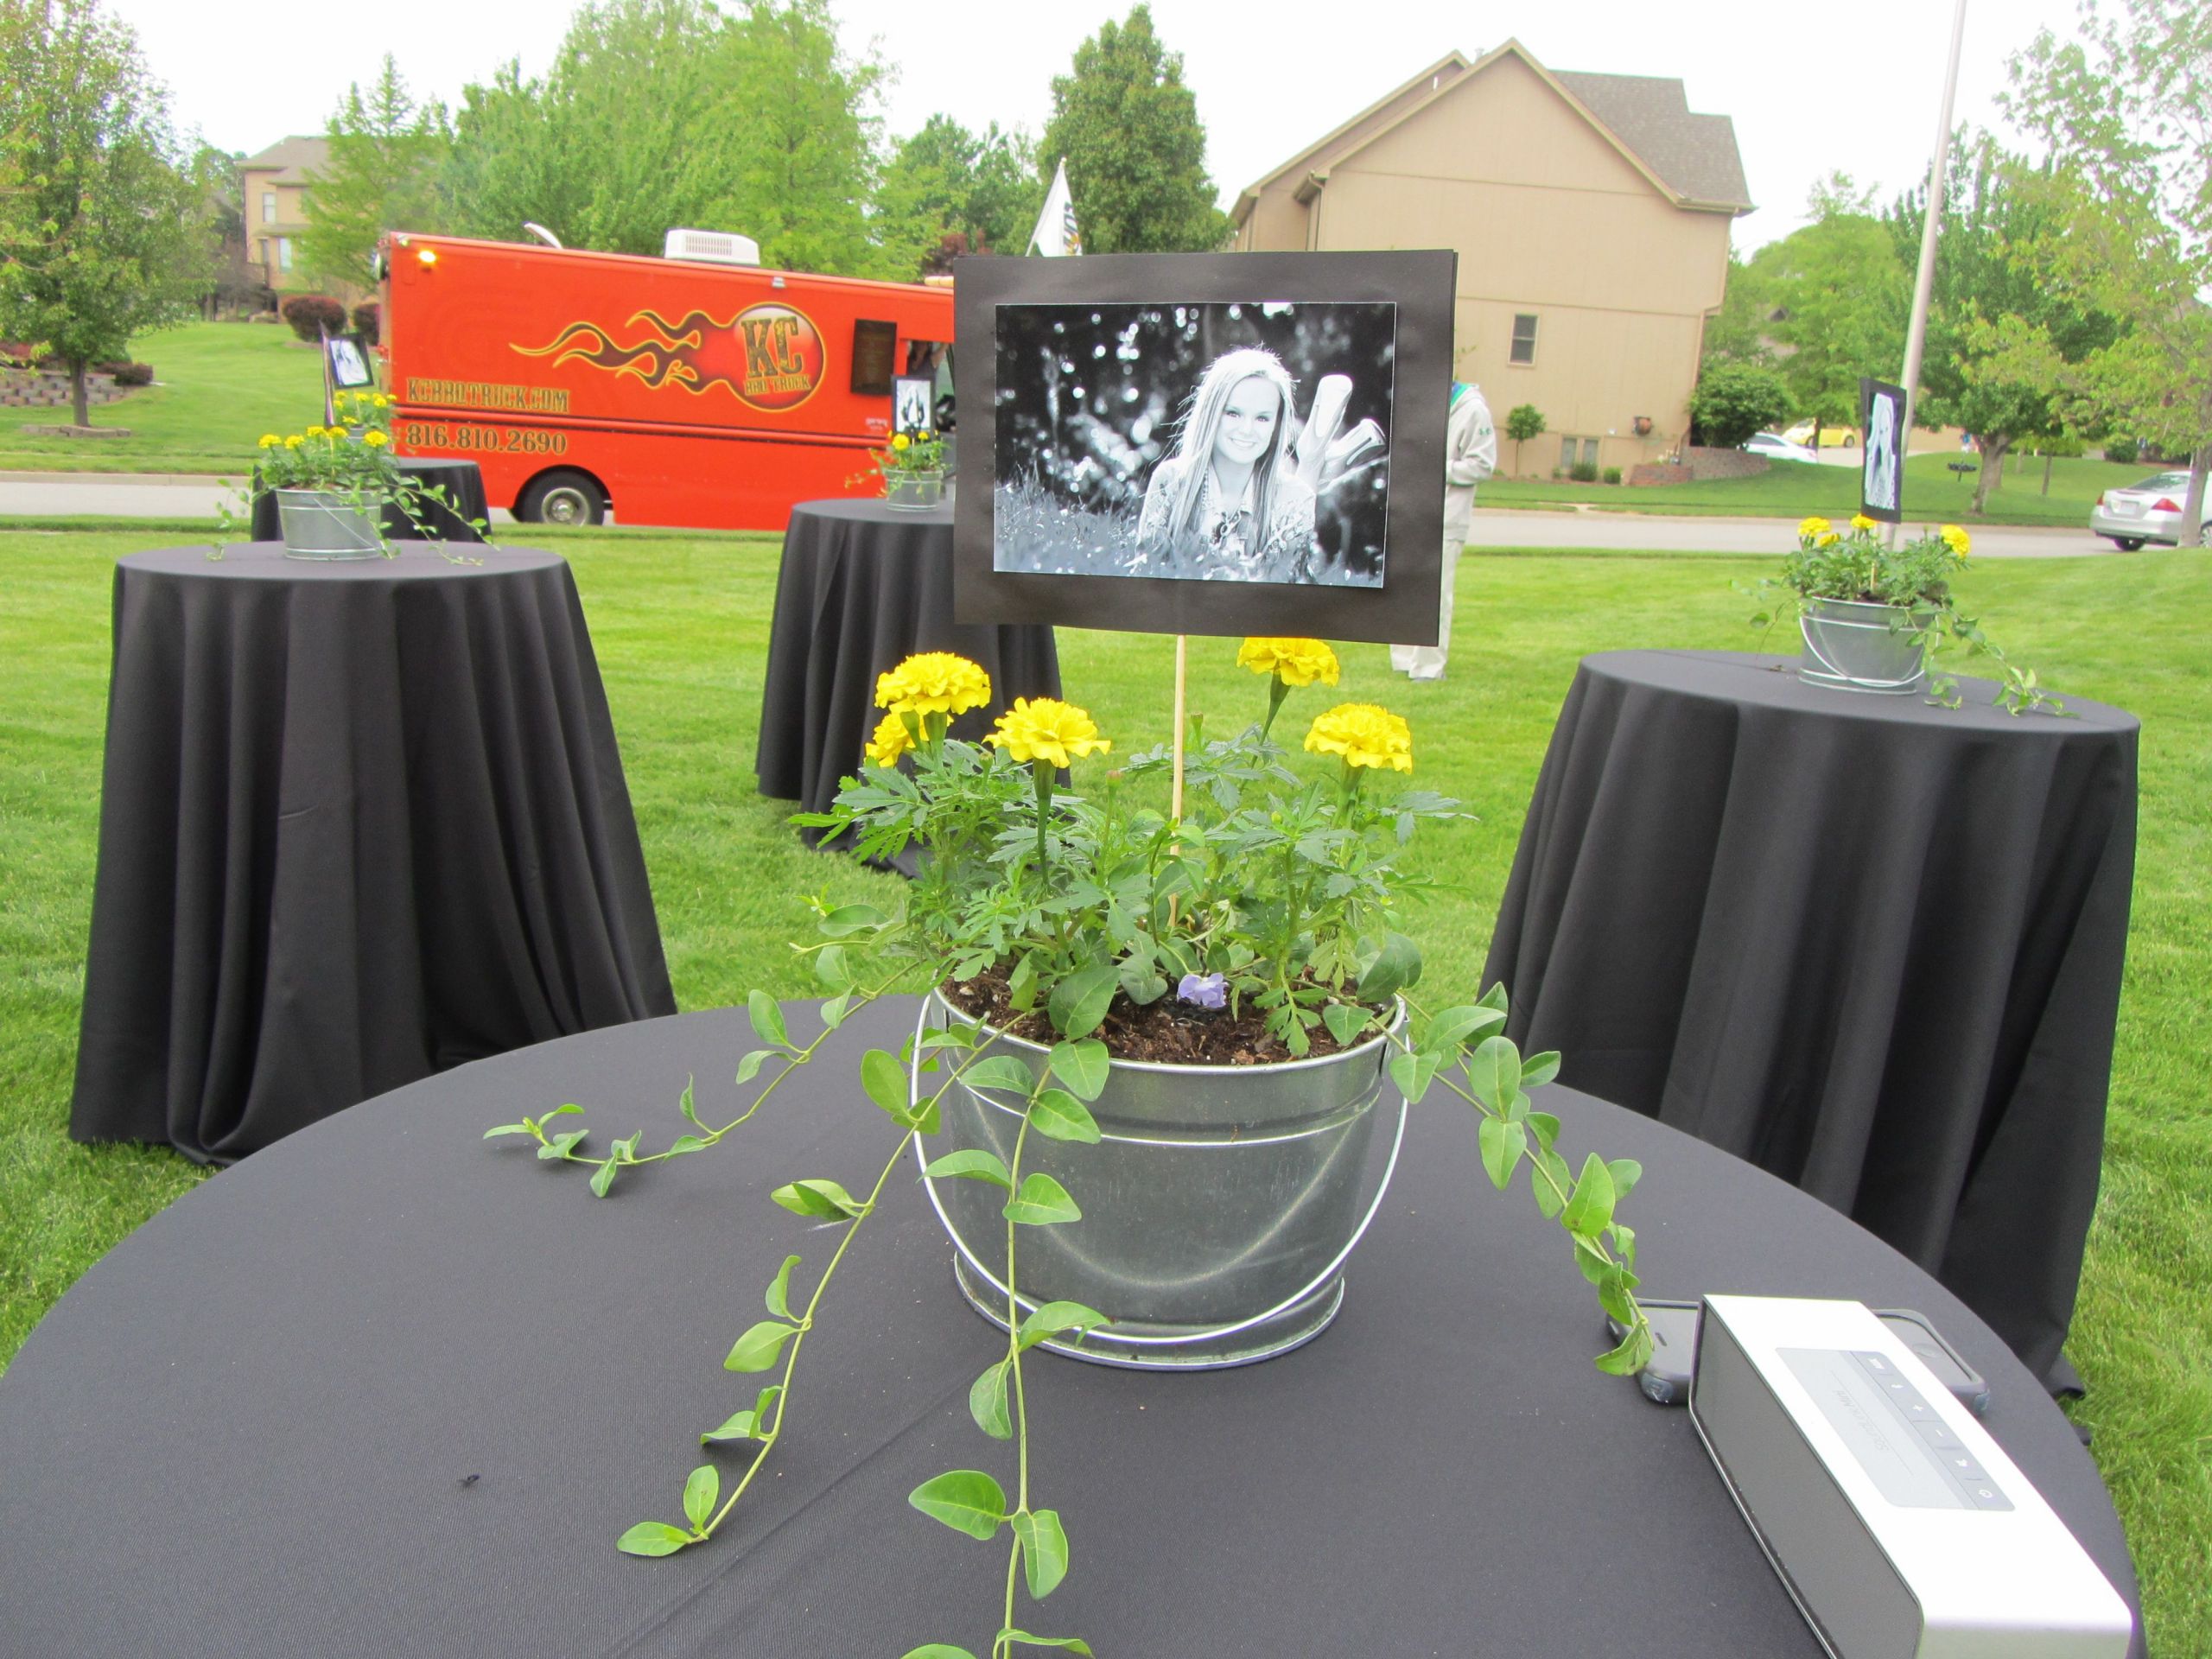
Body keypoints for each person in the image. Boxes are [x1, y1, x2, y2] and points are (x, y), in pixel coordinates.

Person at [1135, 346, 1319, 583]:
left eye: (1262, 418)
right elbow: (1146, 578)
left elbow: (1289, 599)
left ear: (1276, 426)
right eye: (1233, 413)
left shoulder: (1296, 498)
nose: (1246, 430)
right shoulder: (1171, 480)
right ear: (1212, 412)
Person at [1390, 378, 1495, 680]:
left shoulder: (1473, 409)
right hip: (1411, 513)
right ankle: (1404, 659)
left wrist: (1437, 467)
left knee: (1435, 594)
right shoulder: (1419, 404)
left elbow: (1483, 465)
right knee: (1403, 587)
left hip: (1447, 516)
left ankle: (1429, 667)